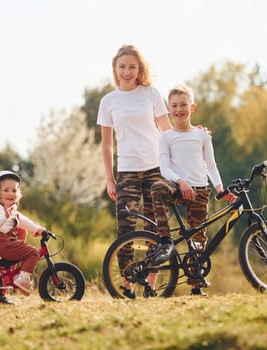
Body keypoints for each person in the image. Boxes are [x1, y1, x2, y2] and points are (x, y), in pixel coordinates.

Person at [97, 44, 171, 298]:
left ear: (139, 69)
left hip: (155, 169)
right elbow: (107, 144)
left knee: (155, 228)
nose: (127, 72)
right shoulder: (108, 101)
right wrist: (110, 178)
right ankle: (127, 284)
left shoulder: (151, 94)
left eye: (132, 66)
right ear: (115, 70)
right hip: (126, 170)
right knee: (125, 229)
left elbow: (167, 131)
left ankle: (150, 282)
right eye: (122, 67)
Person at [150, 84, 236, 296]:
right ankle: (164, 241)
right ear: (168, 109)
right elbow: (164, 167)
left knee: (198, 240)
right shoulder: (166, 137)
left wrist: (220, 189)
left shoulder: (202, 136)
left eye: (183, 105)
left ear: (193, 107)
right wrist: (181, 182)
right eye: (174, 106)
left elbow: (211, 164)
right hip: (177, 187)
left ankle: (196, 286)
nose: (179, 109)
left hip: (200, 191)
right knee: (158, 188)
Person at [0, 170, 46, 295]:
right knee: (33, 253)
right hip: (4, 245)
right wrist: (5, 216)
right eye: (6, 190)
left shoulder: (10, 208)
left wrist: (37, 229)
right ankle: (23, 280)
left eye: (14, 190)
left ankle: (18, 278)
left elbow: (21, 220)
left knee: (25, 252)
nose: (10, 193)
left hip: (6, 243)